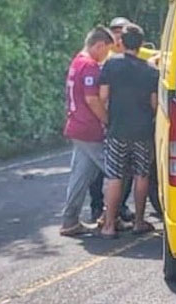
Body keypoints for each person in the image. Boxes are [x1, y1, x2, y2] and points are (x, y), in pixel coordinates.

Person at [98, 24, 160, 238]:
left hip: (117, 130)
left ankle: (108, 226)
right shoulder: (151, 71)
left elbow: (103, 97)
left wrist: (108, 119)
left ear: (120, 43)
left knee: (115, 177)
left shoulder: (110, 65)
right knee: (141, 175)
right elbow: (155, 104)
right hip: (143, 131)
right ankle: (139, 222)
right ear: (142, 44)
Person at [60, 27, 114, 237]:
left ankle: (70, 220)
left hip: (77, 127)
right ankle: (111, 217)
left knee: (80, 176)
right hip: (89, 129)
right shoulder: (90, 66)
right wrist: (108, 121)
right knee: (117, 172)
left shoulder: (77, 62)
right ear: (99, 45)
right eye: (106, 50)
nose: (106, 56)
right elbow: (93, 99)